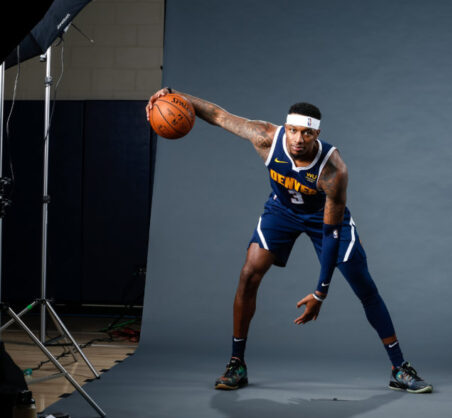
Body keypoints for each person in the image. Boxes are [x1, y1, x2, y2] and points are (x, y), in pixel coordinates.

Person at [146, 88, 433, 394]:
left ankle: (399, 368)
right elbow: (218, 115)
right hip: (281, 211)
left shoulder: (333, 170)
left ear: (316, 134)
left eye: (306, 134)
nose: (297, 139)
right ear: (286, 129)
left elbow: (331, 232)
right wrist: (176, 96)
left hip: (323, 218)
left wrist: (320, 292)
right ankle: (236, 364)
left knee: (363, 284)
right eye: (293, 131)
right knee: (248, 274)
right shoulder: (266, 137)